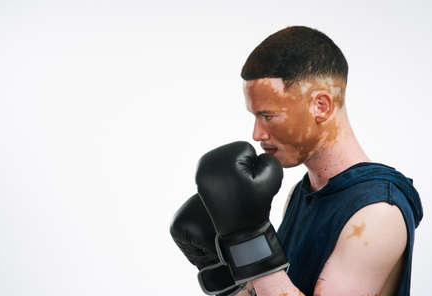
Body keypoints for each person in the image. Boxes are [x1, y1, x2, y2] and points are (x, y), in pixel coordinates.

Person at [170, 25, 423, 296]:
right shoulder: (302, 193)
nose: (257, 134)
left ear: (321, 106)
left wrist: (250, 239)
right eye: (254, 117)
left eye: (268, 116)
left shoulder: (377, 212)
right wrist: (224, 268)